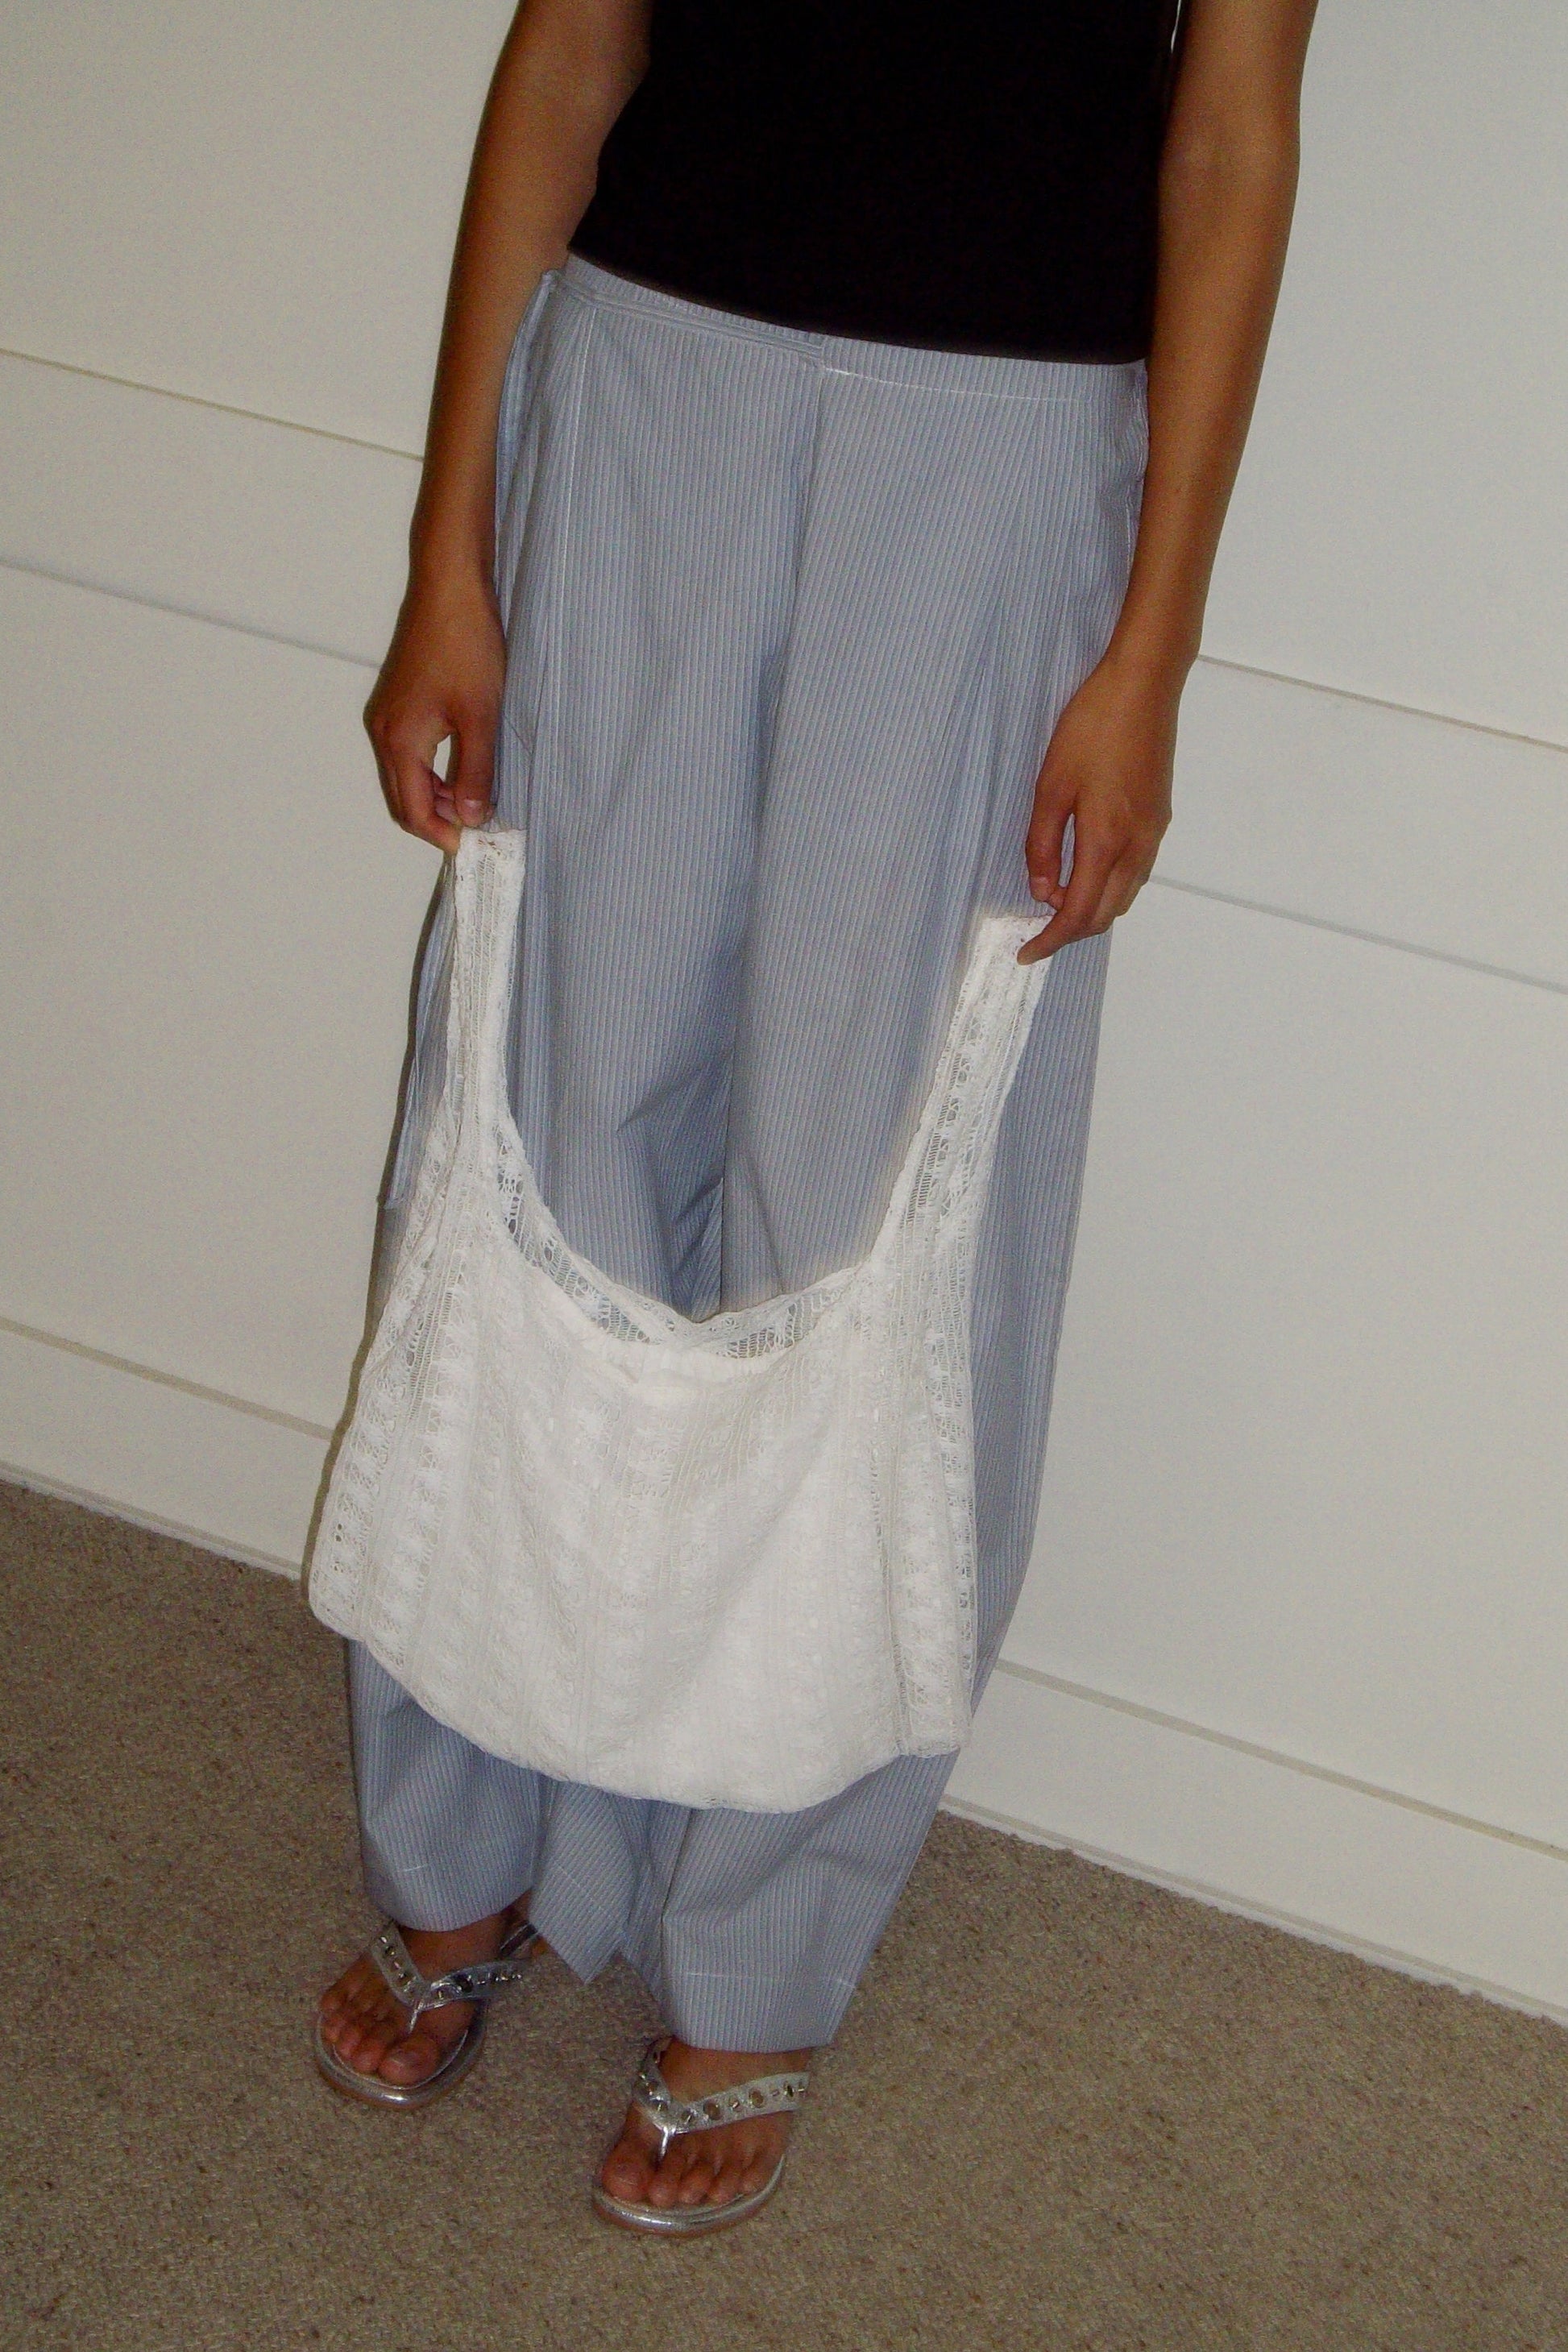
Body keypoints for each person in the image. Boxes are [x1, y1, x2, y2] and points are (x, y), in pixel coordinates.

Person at [313, 0, 1318, 2234]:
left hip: (1004, 457)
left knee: (883, 1227)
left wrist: (1147, 650)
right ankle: (461, 1850)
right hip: (641, 388)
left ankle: (760, 1950)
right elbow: (573, 54)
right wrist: (447, 551)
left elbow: (1227, 147)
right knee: (527, 1152)